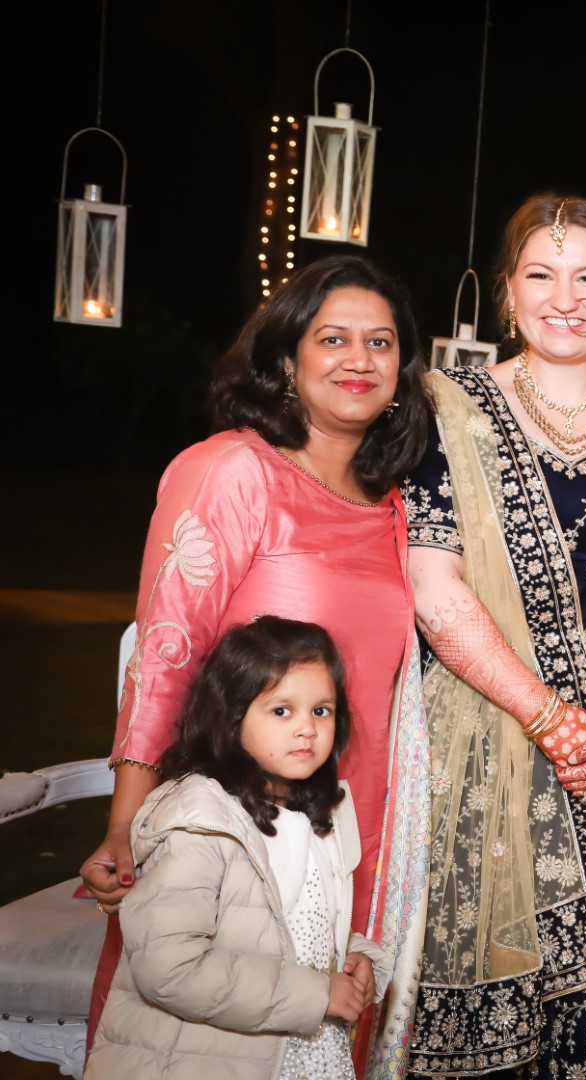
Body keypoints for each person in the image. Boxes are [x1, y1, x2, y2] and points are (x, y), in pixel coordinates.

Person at [389, 193, 586, 1079]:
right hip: (485, 719)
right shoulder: (447, 409)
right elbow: (433, 584)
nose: (564, 299)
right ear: (507, 291)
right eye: (541, 274)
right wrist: (550, 719)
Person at [79, 255, 433, 1061]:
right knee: (203, 1047)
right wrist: (126, 824)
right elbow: (165, 654)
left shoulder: (395, 506)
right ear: (285, 359)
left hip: (350, 828)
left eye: (380, 342)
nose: (359, 359)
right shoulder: (233, 471)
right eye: (333, 338)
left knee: (324, 1041)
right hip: (238, 827)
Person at [86, 617, 392, 1080]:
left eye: (321, 710)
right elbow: (169, 967)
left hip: (306, 1056)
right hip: (206, 1060)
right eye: (282, 711)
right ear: (232, 718)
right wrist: (317, 994)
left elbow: (297, 924)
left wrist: (361, 962)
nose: (307, 729)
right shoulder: (201, 822)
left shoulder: (320, 815)